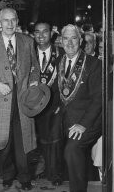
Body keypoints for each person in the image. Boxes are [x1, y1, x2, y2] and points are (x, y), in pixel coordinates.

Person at [0, 8, 40, 191]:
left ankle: (25, 177)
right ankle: (7, 175)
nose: (10, 24)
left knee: (23, 142)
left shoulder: (27, 41)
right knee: (5, 143)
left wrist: (34, 82)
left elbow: (35, 67)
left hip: (23, 101)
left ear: (18, 21)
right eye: (6, 20)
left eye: (13, 20)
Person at [52, 24, 102, 192]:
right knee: (48, 137)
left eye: (74, 38)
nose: (70, 43)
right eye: (66, 39)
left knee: (72, 149)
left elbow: (98, 99)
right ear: (61, 41)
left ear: (80, 41)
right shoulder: (59, 61)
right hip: (66, 117)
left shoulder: (94, 64)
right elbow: (58, 90)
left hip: (89, 120)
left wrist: (83, 124)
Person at [33, 21, 64, 186]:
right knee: (37, 141)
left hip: (56, 104)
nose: (41, 35)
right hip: (33, 105)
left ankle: (55, 174)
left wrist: (61, 104)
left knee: (55, 140)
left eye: (45, 31)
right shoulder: (28, 54)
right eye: (37, 32)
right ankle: (40, 171)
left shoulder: (62, 54)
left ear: (51, 33)